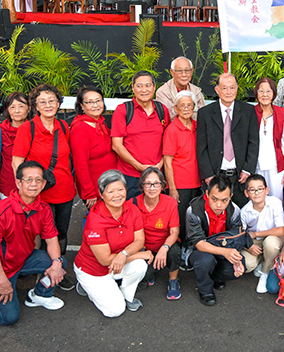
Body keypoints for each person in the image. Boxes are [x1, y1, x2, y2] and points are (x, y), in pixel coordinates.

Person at [0, 161, 66, 324]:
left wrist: (56, 263)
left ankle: (40, 295)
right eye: (29, 179)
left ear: (43, 184)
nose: (34, 184)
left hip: (23, 259)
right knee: (9, 318)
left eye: (38, 180)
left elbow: (51, 239)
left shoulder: (44, 208)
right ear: (18, 183)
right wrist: (2, 281)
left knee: (59, 263)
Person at [12, 84, 77, 290]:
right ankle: (38, 270)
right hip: (39, 194)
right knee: (37, 236)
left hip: (64, 190)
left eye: (52, 101)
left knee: (61, 233)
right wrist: (23, 190)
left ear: (59, 103)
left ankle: (58, 269)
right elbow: (17, 162)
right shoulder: (27, 129)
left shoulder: (64, 127)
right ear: (35, 106)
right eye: (43, 102)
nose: (48, 105)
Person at [74, 170, 151, 317]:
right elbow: (104, 260)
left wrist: (124, 254)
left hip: (116, 263)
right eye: (111, 191)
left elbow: (139, 239)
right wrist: (138, 254)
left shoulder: (132, 209)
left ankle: (126, 296)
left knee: (140, 266)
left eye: (121, 189)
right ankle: (85, 285)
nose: (117, 195)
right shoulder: (95, 220)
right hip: (93, 270)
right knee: (115, 311)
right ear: (102, 195)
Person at [197, 73, 260, 207]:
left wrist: (248, 169)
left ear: (237, 88)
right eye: (224, 88)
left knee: (241, 216)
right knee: (217, 213)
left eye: (232, 87)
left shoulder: (248, 110)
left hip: (240, 176)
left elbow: (253, 142)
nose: (229, 92)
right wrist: (207, 174)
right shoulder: (205, 113)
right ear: (217, 90)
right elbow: (201, 147)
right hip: (215, 174)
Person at [185, 176, 247, 306]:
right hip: (199, 250)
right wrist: (225, 252)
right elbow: (199, 243)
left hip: (223, 245)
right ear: (207, 194)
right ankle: (205, 289)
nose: (219, 205)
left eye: (224, 200)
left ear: (230, 196)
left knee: (240, 265)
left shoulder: (234, 210)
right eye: (214, 199)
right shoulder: (194, 210)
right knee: (205, 261)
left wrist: (236, 259)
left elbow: (236, 236)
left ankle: (216, 277)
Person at [112, 71, 169, 199]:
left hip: (156, 174)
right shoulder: (123, 110)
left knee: (156, 215)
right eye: (139, 86)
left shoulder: (162, 110)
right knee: (130, 214)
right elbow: (117, 145)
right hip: (130, 175)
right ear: (133, 88)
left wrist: (160, 164)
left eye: (148, 85)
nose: (144, 90)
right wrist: (138, 166)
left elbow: (167, 141)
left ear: (154, 88)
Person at [133, 167, 181, 300]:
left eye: (156, 183)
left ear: (162, 186)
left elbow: (174, 232)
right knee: (144, 276)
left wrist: (164, 248)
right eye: (148, 184)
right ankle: (152, 271)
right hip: (143, 248)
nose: (152, 188)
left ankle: (173, 281)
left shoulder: (170, 202)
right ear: (142, 186)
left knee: (175, 252)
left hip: (164, 244)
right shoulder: (133, 203)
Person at [162, 90, 202, 239]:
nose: (186, 108)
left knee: (195, 218)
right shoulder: (171, 130)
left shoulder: (198, 126)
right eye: (182, 106)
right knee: (181, 220)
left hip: (197, 182)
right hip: (180, 184)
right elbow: (167, 161)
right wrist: (172, 188)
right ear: (176, 109)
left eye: (189, 105)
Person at [70, 87, 118, 208]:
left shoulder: (100, 123)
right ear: (81, 105)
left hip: (111, 185)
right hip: (96, 189)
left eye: (98, 101)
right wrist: (89, 192)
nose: (95, 105)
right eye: (90, 102)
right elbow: (80, 165)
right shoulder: (80, 128)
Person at [240, 174, 284, 294]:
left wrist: (255, 234)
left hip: (274, 237)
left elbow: (281, 230)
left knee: (270, 243)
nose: (256, 193)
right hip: (256, 241)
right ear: (246, 193)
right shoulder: (244, 211)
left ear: (266, 190)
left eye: (260, 189)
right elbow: (242, 235)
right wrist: (248, 246)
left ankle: (265, 273)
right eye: (252, 190)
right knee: (246, 264)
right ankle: (262, 260)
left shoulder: (275, 203)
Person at [254, 78, 284, 200]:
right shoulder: (251, 112)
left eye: (268, 91)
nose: (265, 95)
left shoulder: (282, 113)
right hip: (256, 164)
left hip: (276, 166)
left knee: (276, 199)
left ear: (274, 94)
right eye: (261, 91)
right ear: (256, 93)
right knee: (257, 198)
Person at [0, 92, 29, 198]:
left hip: (33, 185)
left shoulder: (36, 129)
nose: (17, 111)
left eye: (21, 106)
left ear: (29, 109)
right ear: (7, 110)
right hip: (8, 185)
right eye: (12, 107)